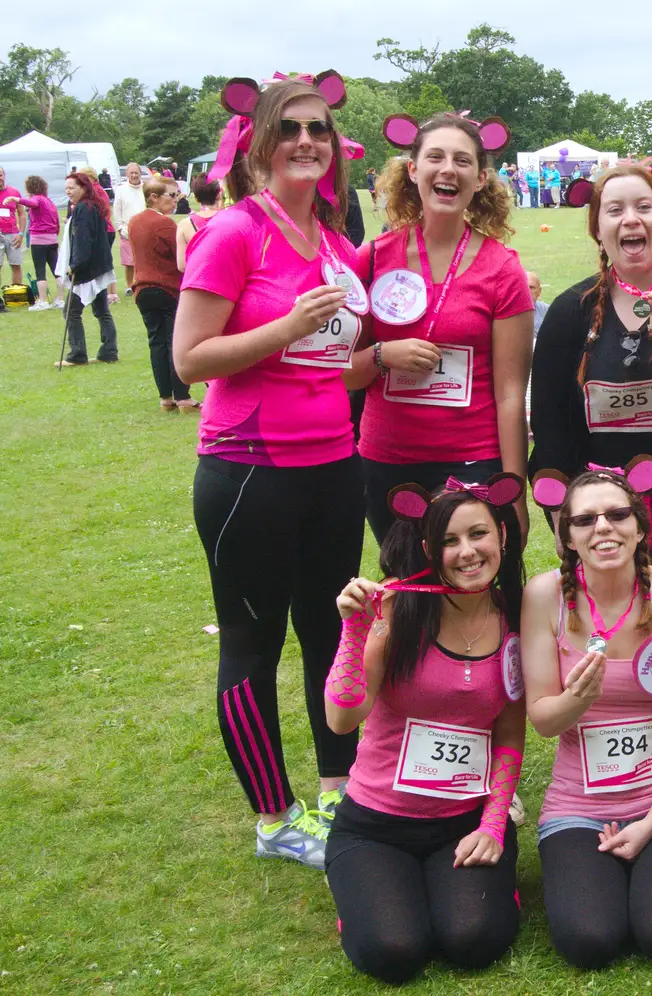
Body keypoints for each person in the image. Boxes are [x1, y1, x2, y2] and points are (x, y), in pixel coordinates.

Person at [173, 71, 367, 867]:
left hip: (333, 465)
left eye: (319, 130)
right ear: (259, 144)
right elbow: (190, 359)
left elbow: (336, 367)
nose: (306, 142)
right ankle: (275, 818)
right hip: (249, 471)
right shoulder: (234, 233)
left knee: (332, 630)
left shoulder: (333, 242)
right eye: (290, 129)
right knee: (254, 642)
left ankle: (336, 793)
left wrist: (382, 354)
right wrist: (287, 326)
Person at [323, 478, 526, 984]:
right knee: (393, 951)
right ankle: (359, 892)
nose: (467, 552)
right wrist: (355, 629)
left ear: (501, 534)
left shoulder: (514, 621)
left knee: (474, 940)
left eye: (478, 534)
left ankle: (490, 889)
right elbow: (342, 718)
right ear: (427, 550)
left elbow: (508, 733)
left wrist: (494, 824)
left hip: (462, 820)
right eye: (449, 541)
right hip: (375, 823)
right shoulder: (396, 608)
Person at [523, 466, 652, 968]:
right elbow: (544, 720)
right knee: (590, 940)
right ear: (566, 535)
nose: (603, 527)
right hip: (578, 803)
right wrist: (576, 701)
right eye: (585, 519)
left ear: (639, 525)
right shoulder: (544, 596)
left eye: (617, 514)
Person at [531, 161, 652, 575]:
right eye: (615, 209)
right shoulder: (572, 309)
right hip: (593, 510)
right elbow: (550, 420)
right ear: (598, 230)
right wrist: (559, 510)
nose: (631, 219)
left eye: (644, 207)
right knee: (598, 625)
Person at [346, 112, 534, 545]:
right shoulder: (372, 258)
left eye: (463, 160)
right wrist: (382, 355)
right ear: (413, 170)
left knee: (475, 589)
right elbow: (342, 372)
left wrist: (514, 492)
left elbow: (510, 394)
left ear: (481, 178)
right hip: (387, 462)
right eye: (435, 157)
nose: (448, 169)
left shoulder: (503, 270)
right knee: (407, 593)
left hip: (474, 462)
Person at [129, 178, 198, 411]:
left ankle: (165, 397)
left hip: (141, 289)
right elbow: (183, 258)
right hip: (166, 289)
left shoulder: (134, 222)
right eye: (170, 195)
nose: (175, 200)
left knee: (156, 343)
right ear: (154, 197)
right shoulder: (166, 225)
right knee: (174, 343)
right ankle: (183, 397)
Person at [57, 170, 119, 367]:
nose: (68, 192)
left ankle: (77, 354)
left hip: (88, 269)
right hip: (98, 266)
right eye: (66, 188)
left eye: (72, 188)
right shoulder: (91, 206)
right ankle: (109, 351)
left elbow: (84, 240)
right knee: (101, 310)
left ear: (83, 187)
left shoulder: (85, 208)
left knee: (71, 311)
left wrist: (75, 265)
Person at [3, 175, 64, 308]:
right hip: (52, 239)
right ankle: (60, 299)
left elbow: (33, 203)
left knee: (40, 271)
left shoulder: (37, 199)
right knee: (56, 270)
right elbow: (56, 221)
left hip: (39, 241)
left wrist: (16, 199)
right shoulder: (49, 201)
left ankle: (42, 301)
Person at [113, 162, 148, 293]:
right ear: (127, 174)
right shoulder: (121, 190)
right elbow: (117, 210)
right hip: (127, 230)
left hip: (145, 230)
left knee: (144, 260)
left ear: (140, 174)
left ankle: (142, 283)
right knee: (129, 262)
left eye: (136, 173)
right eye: (131, 173)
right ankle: (129, 286)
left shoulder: (146, 188)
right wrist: (120, 228)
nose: (134, 175)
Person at [175, 177, 224, 271]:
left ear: (196, 198)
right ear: (218, 195)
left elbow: (182, 266)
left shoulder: (184, 225)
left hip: (197, 279)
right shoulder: (231, 220)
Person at [0, 166, 22, 286]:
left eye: (0, 175)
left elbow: (22, 214)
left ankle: (16, 294)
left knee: (15, 264)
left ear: (4, 175)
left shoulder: (14, 192)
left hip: (12, 234)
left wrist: (21, 233)